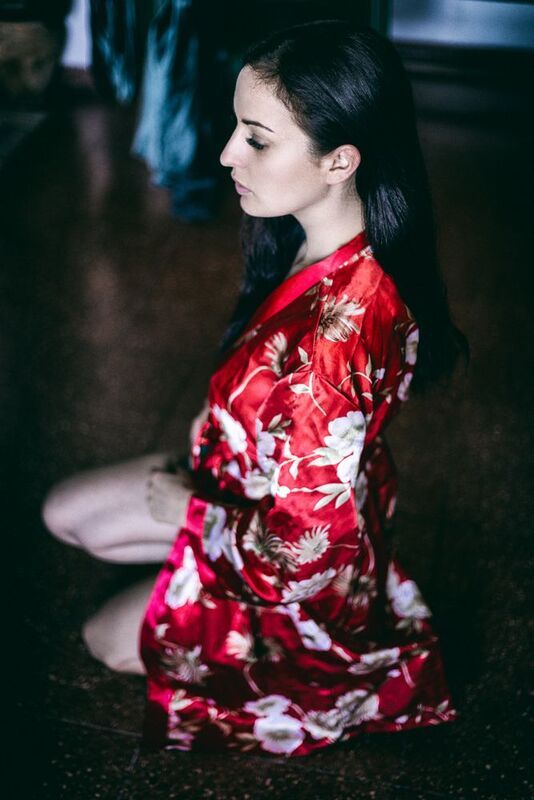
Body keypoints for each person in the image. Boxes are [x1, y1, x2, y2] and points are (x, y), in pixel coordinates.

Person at [42, 20, 469, 756]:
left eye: (257, 139)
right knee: (64, 514)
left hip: (295, 565)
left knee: (101, 640)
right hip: (247, 481)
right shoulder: (317, 236)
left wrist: (192, 513)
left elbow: (304, 556)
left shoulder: (340, 340)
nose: (226, 154)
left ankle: (326, 666)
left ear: (340, 160)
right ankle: (185, 564)